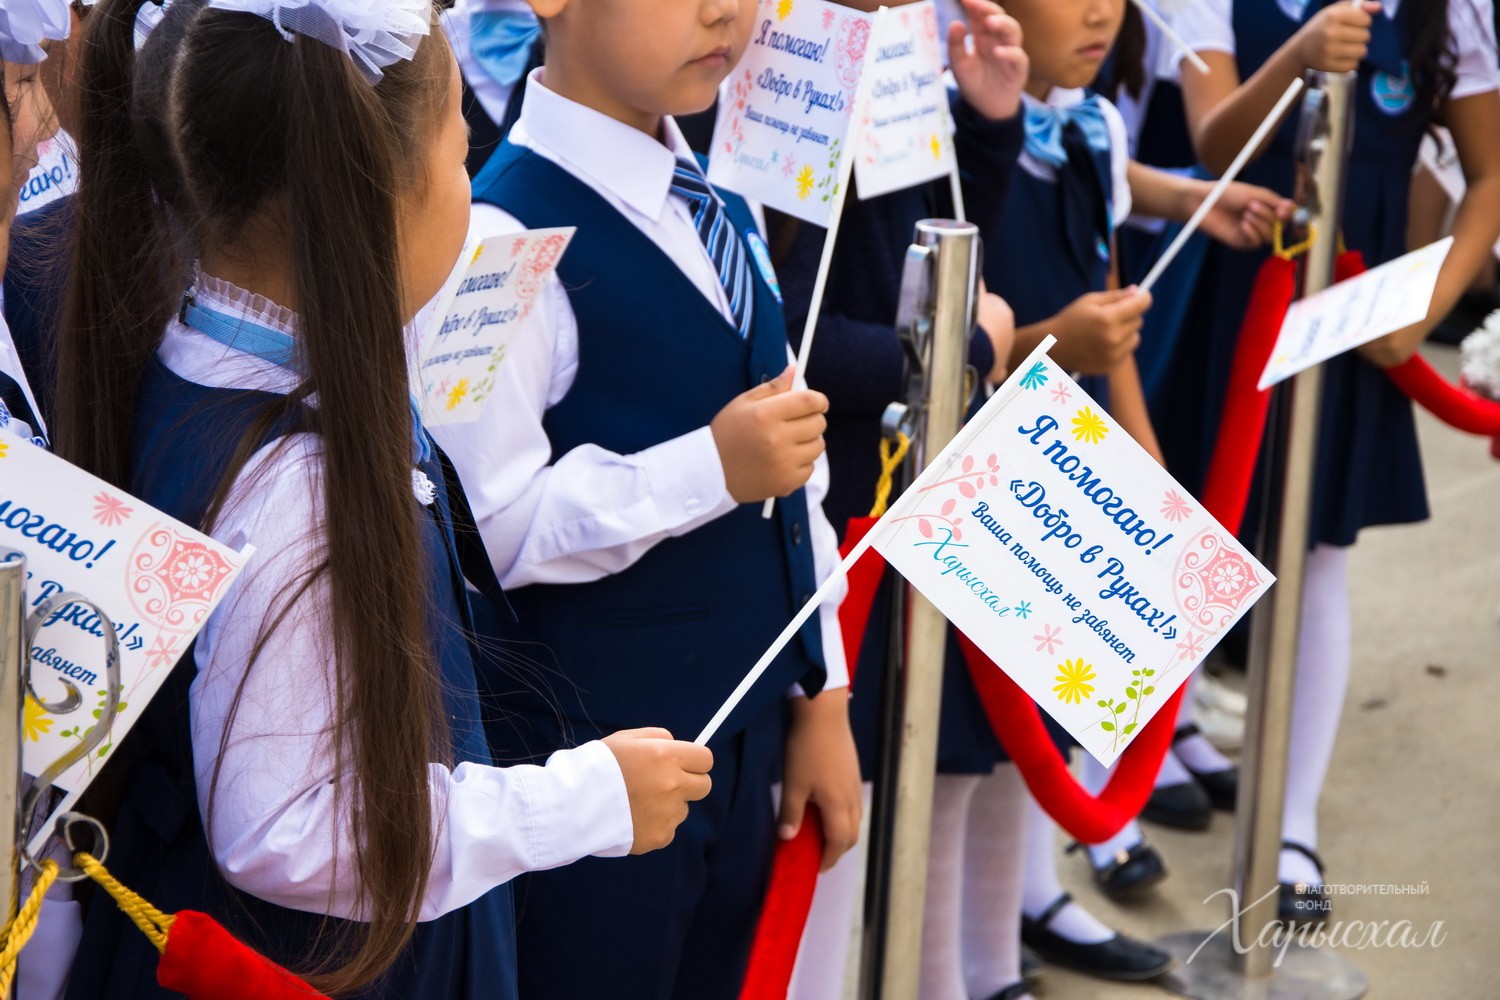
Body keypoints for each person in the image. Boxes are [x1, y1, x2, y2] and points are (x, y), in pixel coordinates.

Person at [52, 2, 711, 997]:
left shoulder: (189, 356)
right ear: (372, 196)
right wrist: (584, 799)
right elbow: (284, 825)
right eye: (457, 151)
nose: (471, 179)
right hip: (317, 964)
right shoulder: (297, 483)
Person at [437, 0, 865, 993]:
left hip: (743, 732)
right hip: (593, 777)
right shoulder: (498, 237)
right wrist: (707, 468)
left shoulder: (726, 200)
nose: (726, 10)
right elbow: (488, 533)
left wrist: (822, 692)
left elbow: (799, 470)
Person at [1163, 0, 1500, 923]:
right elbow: (1216, 136)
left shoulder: (1447, 13)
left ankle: (1293, 822)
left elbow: (1490, 174)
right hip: (1233, 290)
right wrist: (1302, 56)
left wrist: (1422, 312)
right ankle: (1129, 767)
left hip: (1356, 311)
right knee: (1186, 531)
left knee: (1318, 558)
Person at [766, 1, 1028, 995]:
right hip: (813, 510)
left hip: (912, 480)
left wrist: (988, 125)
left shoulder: (904, 37)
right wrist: (965, 350)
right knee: (821, 828)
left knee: (927, 758)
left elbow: (935, 255)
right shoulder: (756, 51)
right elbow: (776, 334)